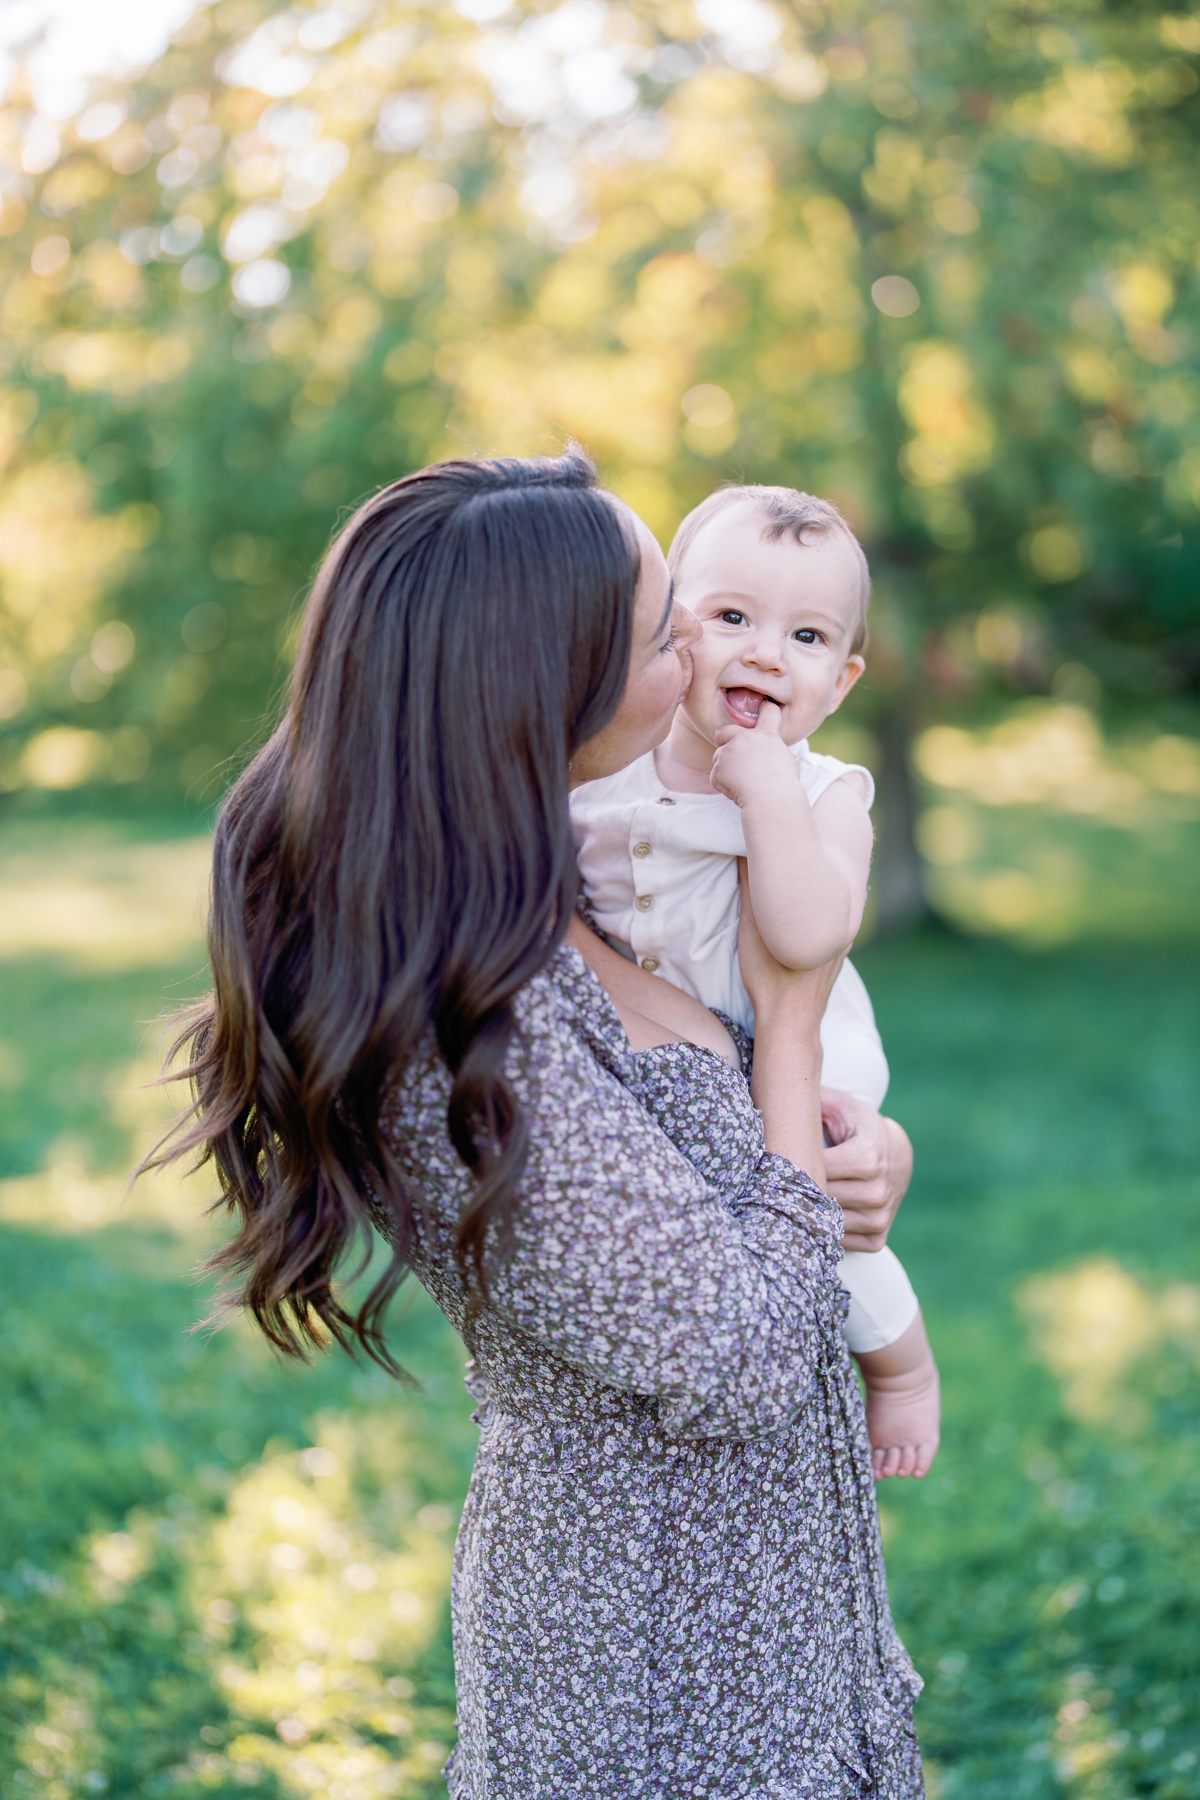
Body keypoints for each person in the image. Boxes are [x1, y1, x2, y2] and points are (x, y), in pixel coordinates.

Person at [157, 451, 923, 1797]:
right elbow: (741, 1349)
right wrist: (793, 1025)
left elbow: (752, 1182)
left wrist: (862, 1157)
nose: (702, 650)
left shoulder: (588, 896)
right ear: (537, 694)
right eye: (661, 627)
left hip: (788, 1619)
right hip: (652, 1672)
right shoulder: (461, 1030)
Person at [571, 483, 939, 1479]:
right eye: (732, 617)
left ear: (843, 680)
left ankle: (901, 1370)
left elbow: (810, 931)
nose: (768, 654)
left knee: (835, 1230)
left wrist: (766, 785)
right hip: (663, 1075)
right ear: (671, 628)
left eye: (808, 637)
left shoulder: (825, 794)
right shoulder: (610, 769)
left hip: (802, 1069)